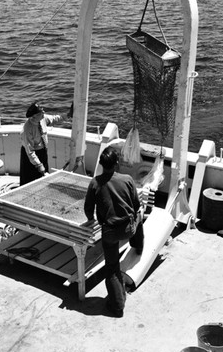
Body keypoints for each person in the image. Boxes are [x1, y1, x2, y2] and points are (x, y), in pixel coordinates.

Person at [84, 146, 144, 318]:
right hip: (128, 229)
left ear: (101, 164)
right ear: (117, 163)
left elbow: (88, 209)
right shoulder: (127, 179)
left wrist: (92, 219)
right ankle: (138, 246)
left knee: (112, 267)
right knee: (139, 217)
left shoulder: (95, 183)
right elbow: (136, 206)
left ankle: (117, 305)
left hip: (110, 232)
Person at [20, 101, 72, 186]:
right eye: (41, 112)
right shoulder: (27, 129)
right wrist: (39, 165)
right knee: (29, 180)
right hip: (30, 156)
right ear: (34, 116)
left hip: (42, 152)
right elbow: (30, 151)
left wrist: (68, 115)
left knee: (43, 176)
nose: (43, 112)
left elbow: (55, 119)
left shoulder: (42, 118)